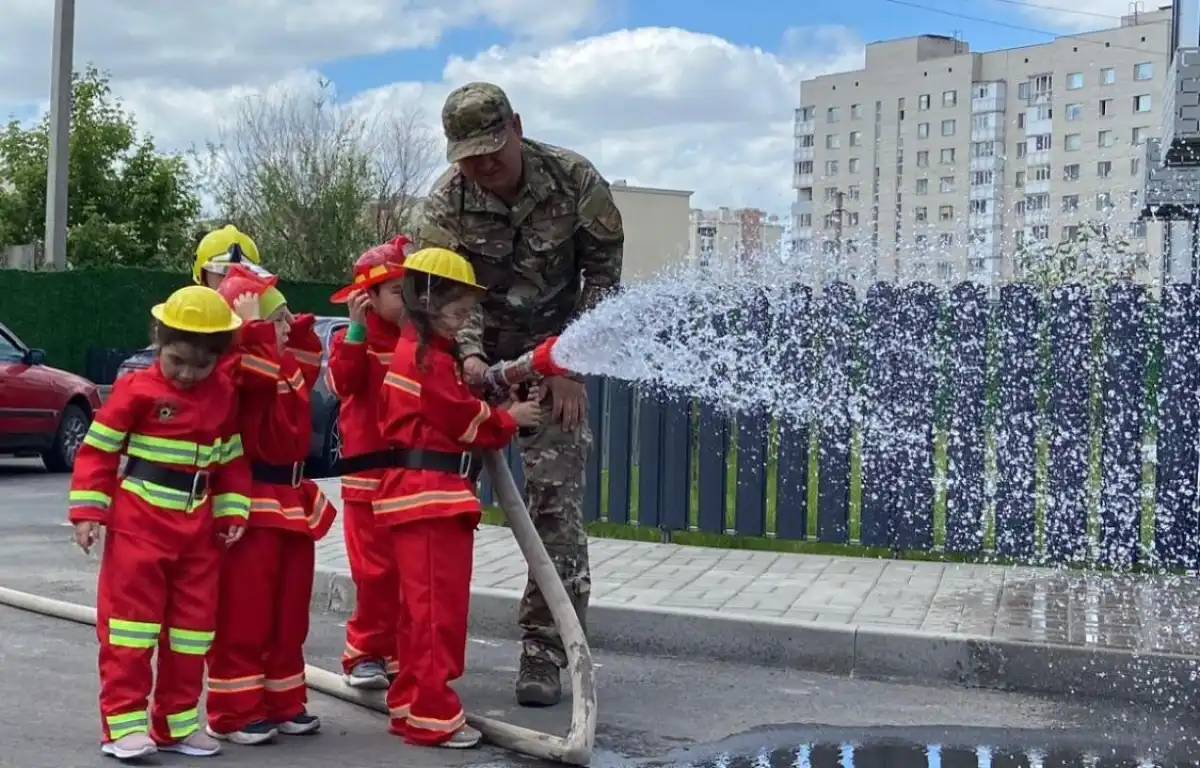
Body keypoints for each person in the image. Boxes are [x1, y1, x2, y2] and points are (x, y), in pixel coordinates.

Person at [418, 81, 624, 706]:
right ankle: (415, 647)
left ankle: (545, 651)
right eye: (469, 157)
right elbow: (435, 290)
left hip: (551, 362)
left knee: (555, 508)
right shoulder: (444, 204)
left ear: (517, 127)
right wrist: (470, 357)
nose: (482, 167)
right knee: (427, 505)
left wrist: (567, 363)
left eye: (491, 151)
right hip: (466, 363)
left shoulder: (575, 180)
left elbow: (604, 280)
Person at [68, 286, 250, 761]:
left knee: (193, 632)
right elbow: (98, 452)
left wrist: (232, 509)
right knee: (130, 629)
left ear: (219, 358)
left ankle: (177, 723)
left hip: (199, 533)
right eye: (176, 361)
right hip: (140, 527)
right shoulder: (136, 390)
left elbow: (231, 458)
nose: (187, 373)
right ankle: (123, 726)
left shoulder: (224, 393)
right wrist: (88, 513)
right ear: (158, 342)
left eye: (201, 365)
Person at [373, 247, 542, 748]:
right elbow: (461, 421)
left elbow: (450, 409)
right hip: (430, 498)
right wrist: (511, 418)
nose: (465, 320)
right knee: (436, 615)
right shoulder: (426, 359)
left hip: (422, 497)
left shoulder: (426, 354)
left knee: (417, 613)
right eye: (458, 310)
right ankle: (433, 714)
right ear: (427, 301)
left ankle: (409, 703)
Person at [205, 268, 336, 745]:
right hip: (254, 502)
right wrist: (250, 330)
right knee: (245, 614)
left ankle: (283, 702)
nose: (283, 328)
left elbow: (307, 367)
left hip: (290, 502)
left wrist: (293, 329)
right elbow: (250, 380)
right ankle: (234, 712)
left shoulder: (278, 361)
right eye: (275, 320)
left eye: (282, 320)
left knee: (288, 615)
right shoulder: (234, 363)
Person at [327, 236, 412, 688]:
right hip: (367, 481)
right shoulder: (351, 340)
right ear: (367, 298)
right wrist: (357, 332)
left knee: (408, 573)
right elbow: (344, 382)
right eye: (397, 291)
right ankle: (364, 654)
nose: (408, 300)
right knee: (374, 573)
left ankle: (397, 655)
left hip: (409, 478)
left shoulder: (418, 340)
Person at [192, 225, 270, 290]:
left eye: (242, 273)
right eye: (223, 272)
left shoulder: (261, 300)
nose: (233, 281)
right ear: (203, 275)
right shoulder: (192, 302)